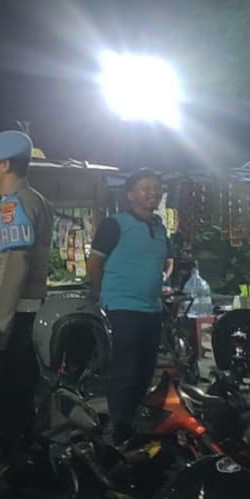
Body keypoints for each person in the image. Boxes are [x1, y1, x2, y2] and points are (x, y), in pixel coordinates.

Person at [0, 130, 52, 459]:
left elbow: (15, 270)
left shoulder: (14, 205)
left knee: (11, 405)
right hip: (20, 316)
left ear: (5, 164)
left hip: (14, 320)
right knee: (19, 404)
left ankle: (20, 469)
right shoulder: (33, 200)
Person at [85, 169, 171, 441]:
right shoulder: (115, 225)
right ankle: (120, 431)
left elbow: (164, 261)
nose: (153, 192)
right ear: (130, 194)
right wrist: (104, 294)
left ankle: (133, 427)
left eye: (156, 187)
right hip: (121, 310)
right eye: (146, 187)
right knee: (125, 373)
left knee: (145, 372)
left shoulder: (160, 228)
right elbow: (94, 264)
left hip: (152, 310)